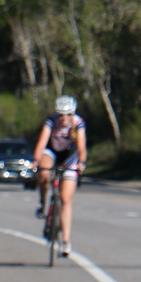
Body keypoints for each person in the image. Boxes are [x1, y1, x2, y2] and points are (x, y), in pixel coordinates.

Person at [33, 95, 86, 257]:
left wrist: (82, 163)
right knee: (43, 171)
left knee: (65, 199)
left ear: (73, 114)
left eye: (68, 114)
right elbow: (42, 143)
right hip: (52, 152)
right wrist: (36, 160)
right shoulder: (51, 121)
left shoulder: (78, 123)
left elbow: (82, 147)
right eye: (61, 115)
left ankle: (66, 241)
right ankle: (43, 202)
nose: (64, 118)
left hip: (70, 157)